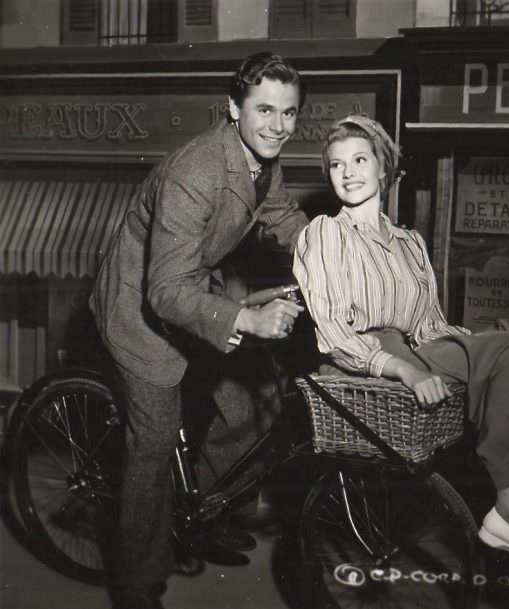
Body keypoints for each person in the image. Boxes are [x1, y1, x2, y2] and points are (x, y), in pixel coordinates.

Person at [292, 115, 509, 573]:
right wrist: (406, 370)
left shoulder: (409, 243)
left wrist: (477, 339)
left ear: (384, 168)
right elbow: (335, 335)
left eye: (360, 160)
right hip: (372, 360)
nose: (349, 172)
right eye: (337, 165)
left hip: (415, 347)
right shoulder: (325, 234)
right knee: (508, 351)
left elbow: (429, 326)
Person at [89, 52, 306, 609]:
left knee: (253, 404)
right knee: (153, 446)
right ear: (234, 108)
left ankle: (206, 515)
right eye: (264, 110)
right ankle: (136, 588)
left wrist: (340, 256)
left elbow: (283, 218)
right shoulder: (196, 170)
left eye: (288, 113)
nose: (278, 125)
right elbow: (163, 290)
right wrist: (246, 318)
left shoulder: (264, 160)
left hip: (195, 288)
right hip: (140, 309)